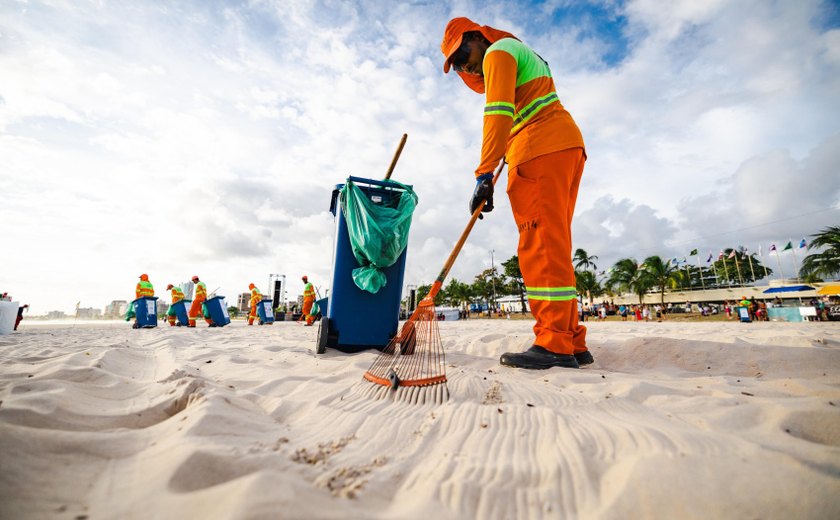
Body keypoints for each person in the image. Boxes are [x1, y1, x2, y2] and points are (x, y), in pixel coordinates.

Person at [441, 17, 589, 369]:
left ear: (478, 36)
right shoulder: (519, 52)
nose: (464, 64)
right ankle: (571, 340)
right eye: (457, 63)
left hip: (540, 150)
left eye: (462, 52)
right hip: (565, 146)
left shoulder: (498, 53)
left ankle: (554, 343)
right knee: (555, 244)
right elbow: (516, 110)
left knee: (539, 246)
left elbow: (498, 112)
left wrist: (483, 173)